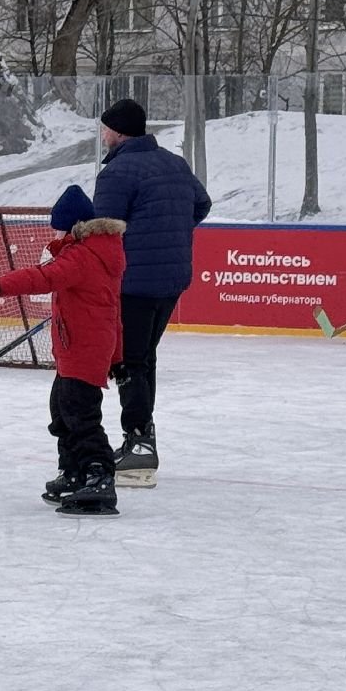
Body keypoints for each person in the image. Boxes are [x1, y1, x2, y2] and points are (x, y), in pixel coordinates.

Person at [0, 184, 126, 517]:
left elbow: (43, 277)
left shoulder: (82, 256)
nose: (55, 232)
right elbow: (113, 313)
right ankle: (73, 471)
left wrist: (1, 284)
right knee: (62, 409)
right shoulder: (97, 251)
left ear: (74, 226)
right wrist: (117, 357)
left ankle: (99, 476)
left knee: (80, 415)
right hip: (80, 348)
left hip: (81, 350)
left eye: (59, 226)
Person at [92, 97, 212, 488]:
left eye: (106, 128)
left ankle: (140, 443)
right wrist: (170, 234)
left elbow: (102, 230)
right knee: (143, 358)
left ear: (119, 132)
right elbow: (201, 203)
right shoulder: (174, 163)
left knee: (129, 360)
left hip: (133, 281)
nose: (103, 135)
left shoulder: (118, 171)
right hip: (171, 280)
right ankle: (140, 438)